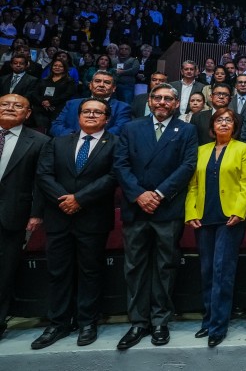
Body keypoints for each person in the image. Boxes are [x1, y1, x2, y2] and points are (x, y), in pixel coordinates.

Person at [115, 83, 198, 350]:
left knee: (165, 266)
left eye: (168, 99)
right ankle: (138, 322)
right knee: (135, 267)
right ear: (149, 101)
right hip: (136, 207)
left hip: (167, 208)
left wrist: (159, 194)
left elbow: (188, 165)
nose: (162, 102)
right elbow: (121, 164)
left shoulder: (186, 130)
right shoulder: (131, 128)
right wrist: (140, 195)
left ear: (176, 104)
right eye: (157, 98)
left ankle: (160, 321)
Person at [32, 98, 117, 349]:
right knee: (58, 272)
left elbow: (113, 176)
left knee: (90, 272)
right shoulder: (57, 142)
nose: (91, 115)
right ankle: (58, 323)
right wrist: (65, 199)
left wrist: (80, 199)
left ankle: (87, 322)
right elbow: (43, 175)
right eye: (86, 111)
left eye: (97, 112)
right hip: (59, 216)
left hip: (93, 218)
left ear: (107, 119)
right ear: (78, 116)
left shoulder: (115, 143)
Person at [185, 108, 246, 347]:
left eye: (228, 120)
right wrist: (191, 212)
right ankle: (208, 319)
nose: (224, 123)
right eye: (219, 120)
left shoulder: (243, 149)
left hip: (230, 218)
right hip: (203, 217)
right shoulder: (201, 150)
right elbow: (192, 185)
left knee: (222, 270)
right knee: (206, 270)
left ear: (234, 126)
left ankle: (218, 325)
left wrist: (239, 211)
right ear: (212, 126)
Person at [0, 94, 49, 340]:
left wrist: (36, 213)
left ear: (28, 113)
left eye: (17, 106)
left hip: (12, 215)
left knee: (4, 271)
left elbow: (40, 181)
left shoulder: (39, 141)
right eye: (4, 104)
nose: (10, 108)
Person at [50, 70, 132, 136]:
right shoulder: (72, 104)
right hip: (70, 144)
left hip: (103, 147)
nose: (101, 85)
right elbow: (56, 126)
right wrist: (75, 137)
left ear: (113, 88)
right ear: (90, 85)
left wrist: (95, 138)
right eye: (97, 81)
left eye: (107, 82)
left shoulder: (122, 108)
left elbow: (120, 129)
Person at [32, 58, 76, 130]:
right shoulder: (44, 80)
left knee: (53, 129)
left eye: (60, 66)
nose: (57, 67)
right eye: (55, 65)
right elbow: (35, 93)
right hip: (41, 107)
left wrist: (51, 102)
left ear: (64, 68)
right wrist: (43, 102)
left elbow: (68, 94)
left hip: (58, 108)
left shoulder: (69, 81)